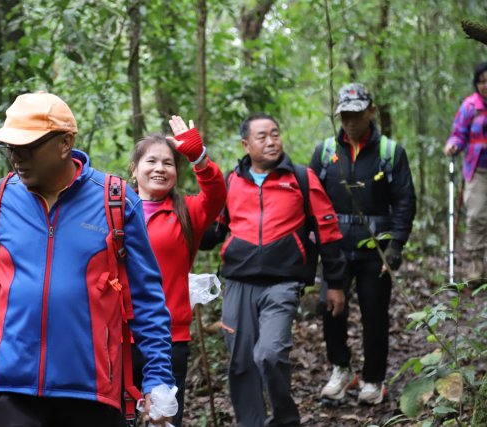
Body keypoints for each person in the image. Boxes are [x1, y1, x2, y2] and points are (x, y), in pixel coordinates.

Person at [0, 91, 176, 427]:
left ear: (65, 143)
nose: (16, 157)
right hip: (11, 391)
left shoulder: (115, 200)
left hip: (92, 394)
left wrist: (158, 378)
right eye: (10, 148)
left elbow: (146, 300)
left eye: (27, 148)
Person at [201, 113, 346, 427]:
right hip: (238, 281)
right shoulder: (232, 181)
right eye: (262, 136)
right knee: (240, 362)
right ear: (246, 144)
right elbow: (214, 230)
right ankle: (250, 422)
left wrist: (335, 283)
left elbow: (328, 232)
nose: (271, 141)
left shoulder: (301, 178)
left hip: (283, 281)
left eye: (275, 134)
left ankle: (284, 419)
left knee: (269, 354)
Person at [309, 83, 416, 405]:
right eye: (344, 115)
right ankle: (341, 369)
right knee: (332, 310)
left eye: (356, 114)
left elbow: (404, 201)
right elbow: (311, 198)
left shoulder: (389, 152)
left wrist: (396, 246)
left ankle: (373, 378)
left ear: (370, 112)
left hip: (375, 249)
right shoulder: (326, 151)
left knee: (375, 314)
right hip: (334, 248)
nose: (350, 122)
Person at [129, 116, 227, 426]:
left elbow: (217, 195)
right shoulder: (114, 209)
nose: (160, 168)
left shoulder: (188, 211)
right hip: (117, 335)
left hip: (169, 334)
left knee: (165, 418)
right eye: (152, 161)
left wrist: (198, 158)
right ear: (135, 170)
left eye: (168, 163)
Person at [444, 61, 487, 282]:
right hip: (477, 170)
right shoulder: (470, 106)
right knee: (477, 215)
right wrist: (453, 144)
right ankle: (476, 265)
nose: (485, 85)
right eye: (481, 81)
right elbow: (459, 134)